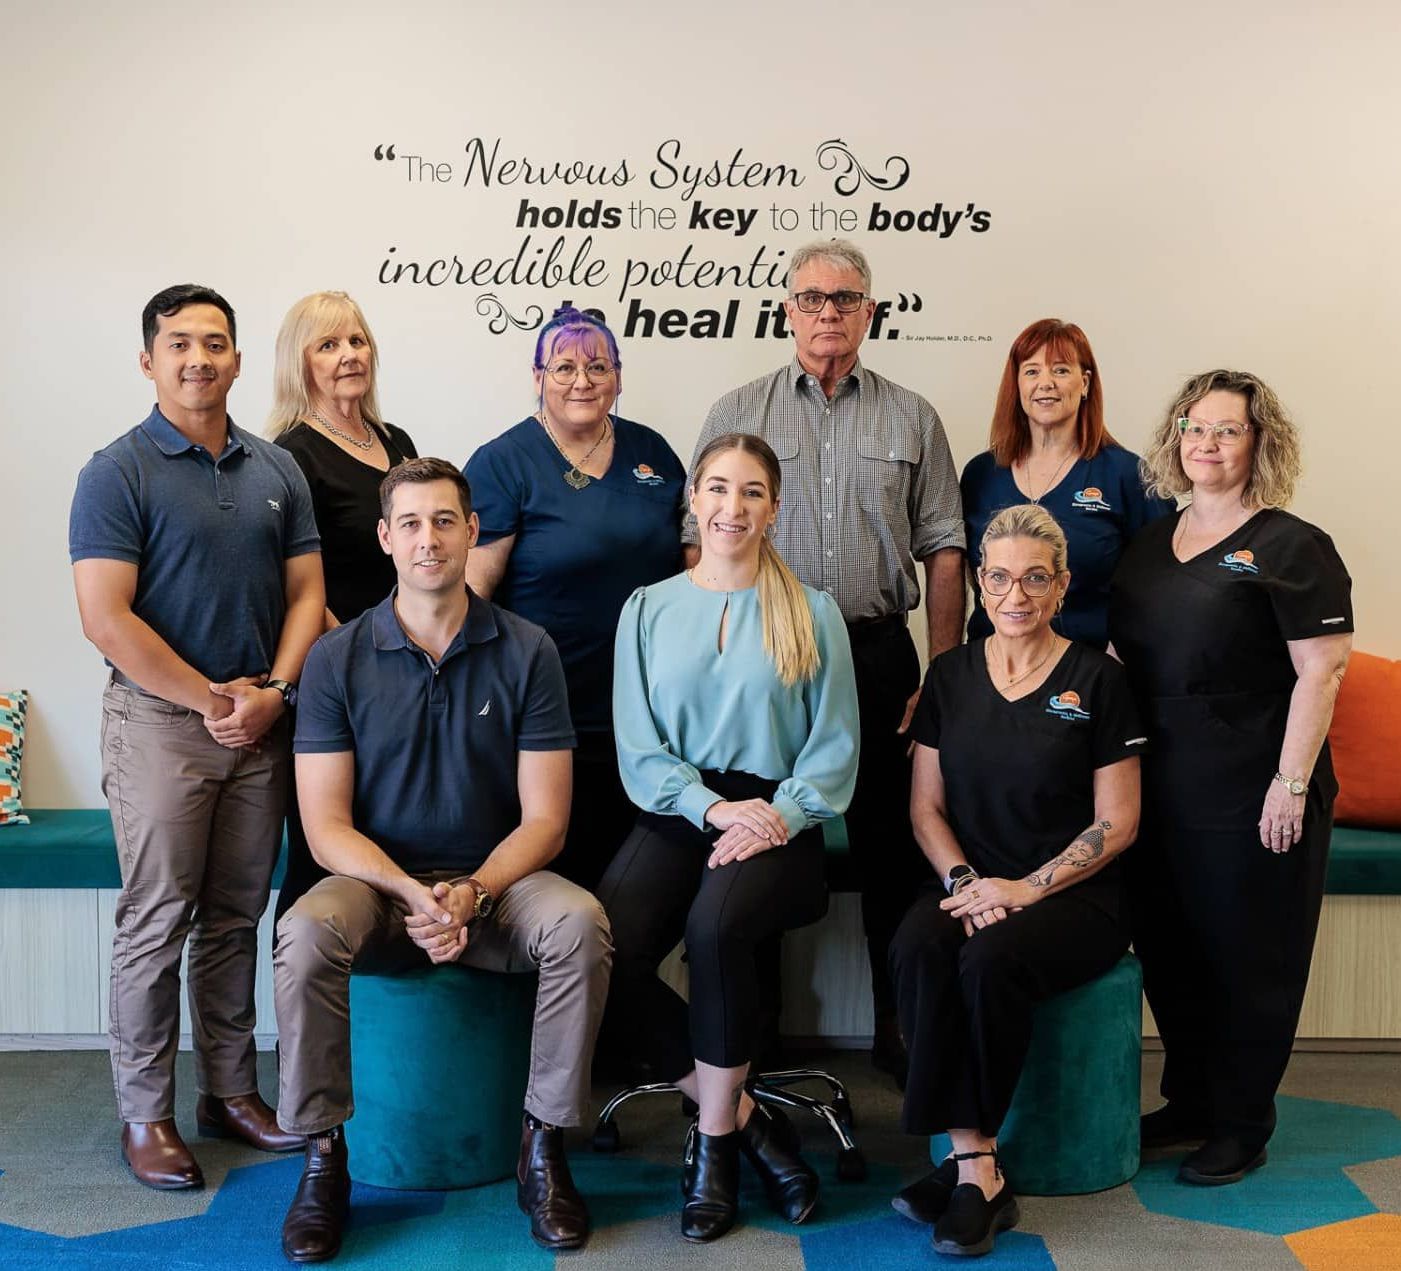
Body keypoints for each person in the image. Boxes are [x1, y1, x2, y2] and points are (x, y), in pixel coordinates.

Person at [273, 458, 612, 1262]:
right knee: (304, 933)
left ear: (470, 533)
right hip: (374, 886)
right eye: (412, 523)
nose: (430, 539)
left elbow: (547, 819)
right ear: (387, 537)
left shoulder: (527, 650)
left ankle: (544, 1148)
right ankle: (323, 1159)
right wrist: (409, 892)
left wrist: (472, 892)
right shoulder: (336, 656)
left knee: (579, 921)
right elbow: (324, 827)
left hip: (497, 885)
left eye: (446, 521)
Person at [685, 238, 964, 1084]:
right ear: (787, 311)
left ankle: (899, 1023)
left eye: (844, 300)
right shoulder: (740, 408)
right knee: (757, 841)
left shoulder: (912, 416)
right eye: (810, 299)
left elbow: (945, 549)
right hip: (764, 653)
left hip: (878, 653)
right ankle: (752, 1034)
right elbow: (699, 542)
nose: (827, 314)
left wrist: (940, 677)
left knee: (891, 845)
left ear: (870, 312)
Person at [69, 284, 324, 1189]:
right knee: (156, 919)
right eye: (179, 344)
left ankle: (230, 1092)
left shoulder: (274, 469)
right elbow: (107, 619)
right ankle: (145, 1114)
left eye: (215, 343)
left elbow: (305, 595)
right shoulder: (117, 471)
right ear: (149, 360)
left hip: (259, 721)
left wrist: (276, 691)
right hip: (160, 726)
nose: (198, 359)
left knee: (233, 918)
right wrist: (214, 697)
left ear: (239, 359)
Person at [599, 433, 859, 1243]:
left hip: (782, 815)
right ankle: (751, 1122)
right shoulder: (646, 607)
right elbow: (638, 746)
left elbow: (834, 744)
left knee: (713, 928)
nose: (731, 506)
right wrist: (711, 808)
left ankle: (710, 1144)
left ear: (773, 509)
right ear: (693, 501)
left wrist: (777, 812)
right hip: (683, 805)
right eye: (716, 488)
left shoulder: (812, 611)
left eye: (750, 492)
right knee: (597, 946)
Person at [1108, 370, 1352, 1185]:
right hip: (1163, 786)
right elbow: (1123, 661)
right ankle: (1191, 1102)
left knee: (1247, 957)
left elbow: (1321, 671)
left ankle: (1242, 1120)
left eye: (1227, 429)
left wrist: (1289, 784)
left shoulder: (1292, 544)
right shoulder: (1148, 543)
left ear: (1258, 443)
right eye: (1193, 426)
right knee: (1172, 954)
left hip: (1255, 788)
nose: (1207, 443)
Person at [889, 503, 1142, 1258]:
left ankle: (970, 1168)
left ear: (1061, 585)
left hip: (1078, 896)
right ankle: (976, 1165)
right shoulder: (950, 674)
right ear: (976, 582)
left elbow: (1118, 821)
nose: (1015, 594)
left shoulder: (1097, 677)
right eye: (997, 577)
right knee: (914, 945)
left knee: (989, 958)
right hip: (973, 880)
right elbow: (925, 808)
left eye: (1035, 578)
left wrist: (1026, 887)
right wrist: (968, 880)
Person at [464, 306, 685, 891]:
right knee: (565, 885)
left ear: (618, 374)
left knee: (634, 890)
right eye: (563, 367)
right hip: (546, 716)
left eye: (597, 366)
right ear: (537, 377)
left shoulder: (653, 452)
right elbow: (469, 595)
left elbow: (694, 568)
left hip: (647, 714)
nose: (581, 380)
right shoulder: (502, 462)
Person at [266, 291, 419, 920]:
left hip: (406, 673)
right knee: (322, 853)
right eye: (328, 345)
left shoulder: (396, 439)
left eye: (355, 340)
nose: (348, 355)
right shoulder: (290, 454)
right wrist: (356, 658)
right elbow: (293, 586)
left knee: (388, 842)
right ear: (298, 364)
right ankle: (304, 1002)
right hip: (337, 676)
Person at [960, 318, 1173, 649]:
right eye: (1032, 371)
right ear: (1016, 385)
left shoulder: (1128, 475)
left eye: (1060, 370)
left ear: (1085, 382)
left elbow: (1163, 583)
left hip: (1090, 676)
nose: (1046, 383)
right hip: (992, 672)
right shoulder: (980, 475)